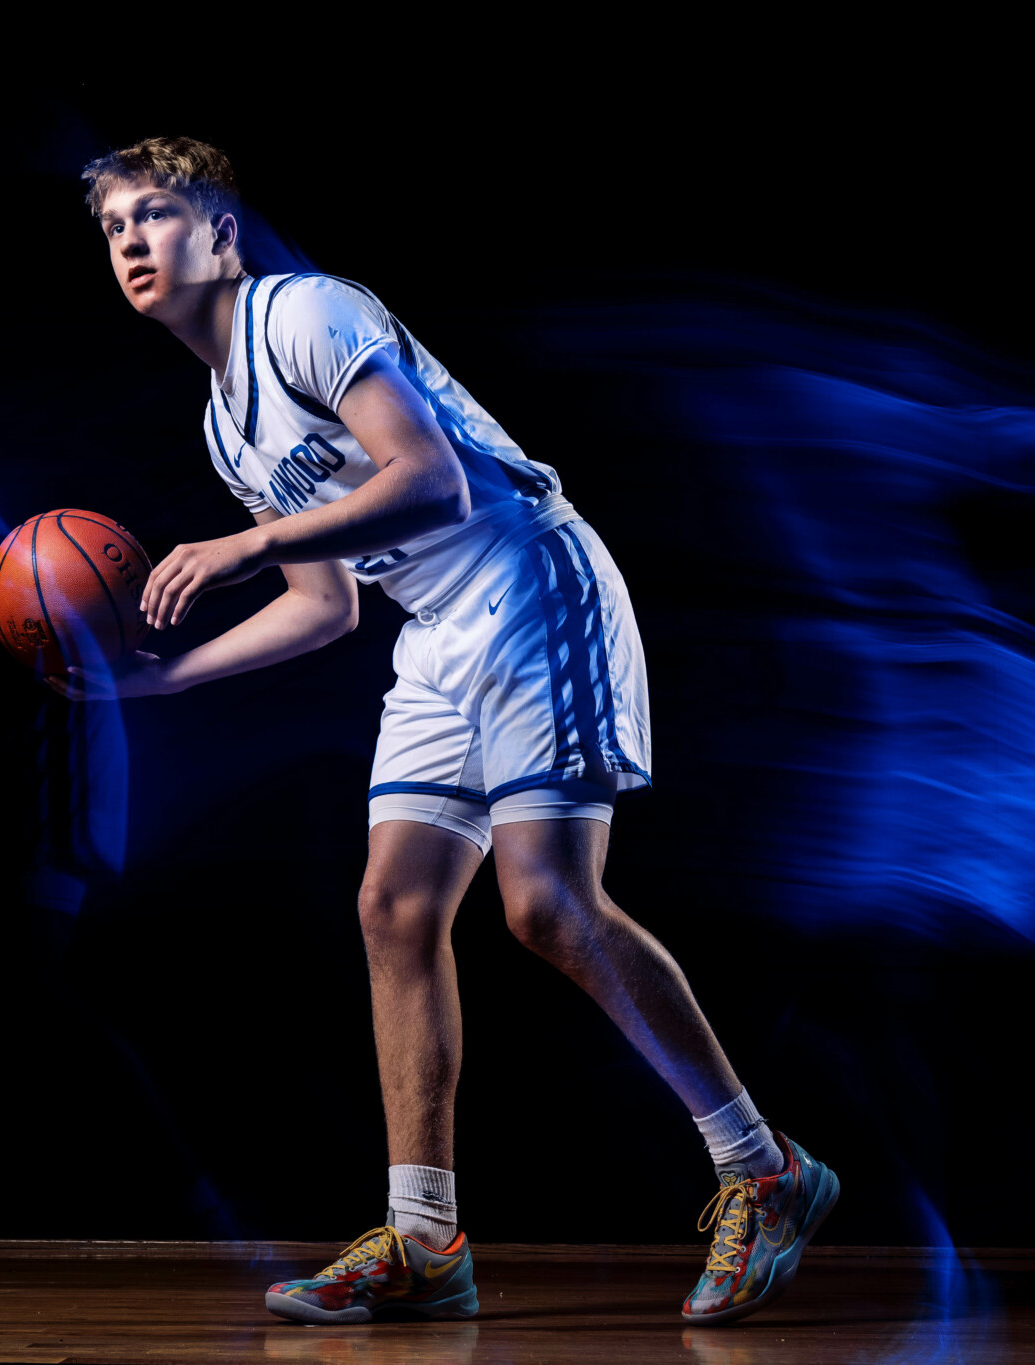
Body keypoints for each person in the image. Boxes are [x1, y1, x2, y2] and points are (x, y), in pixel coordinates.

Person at [54, 136, 837, 1327]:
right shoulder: (226, 424)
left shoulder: (305, 314)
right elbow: (328, 608)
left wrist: (247, 544)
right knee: (393, 907)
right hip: (435, 631)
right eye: (113, 229)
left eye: (155, 215)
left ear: (220, 234)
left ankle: (761, 1168)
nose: (130, 243)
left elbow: (436, 484)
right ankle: (424, 1240)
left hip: (527, 577)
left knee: (543, 905)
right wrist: (164, 685)